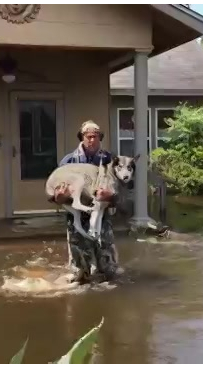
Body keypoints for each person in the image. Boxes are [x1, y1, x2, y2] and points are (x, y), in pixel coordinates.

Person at [52, 120, 120, 284]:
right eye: (88, 136)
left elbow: (119, 193)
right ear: (81, 137)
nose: (91, 140)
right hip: (77, 215)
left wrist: (110, 196)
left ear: (100, 138)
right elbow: (55, 193)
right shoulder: (68, 162)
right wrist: (59, 197)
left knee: (108, 266)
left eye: (95, 136)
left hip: (101, 215)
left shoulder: (111, 161)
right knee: (79, 267)